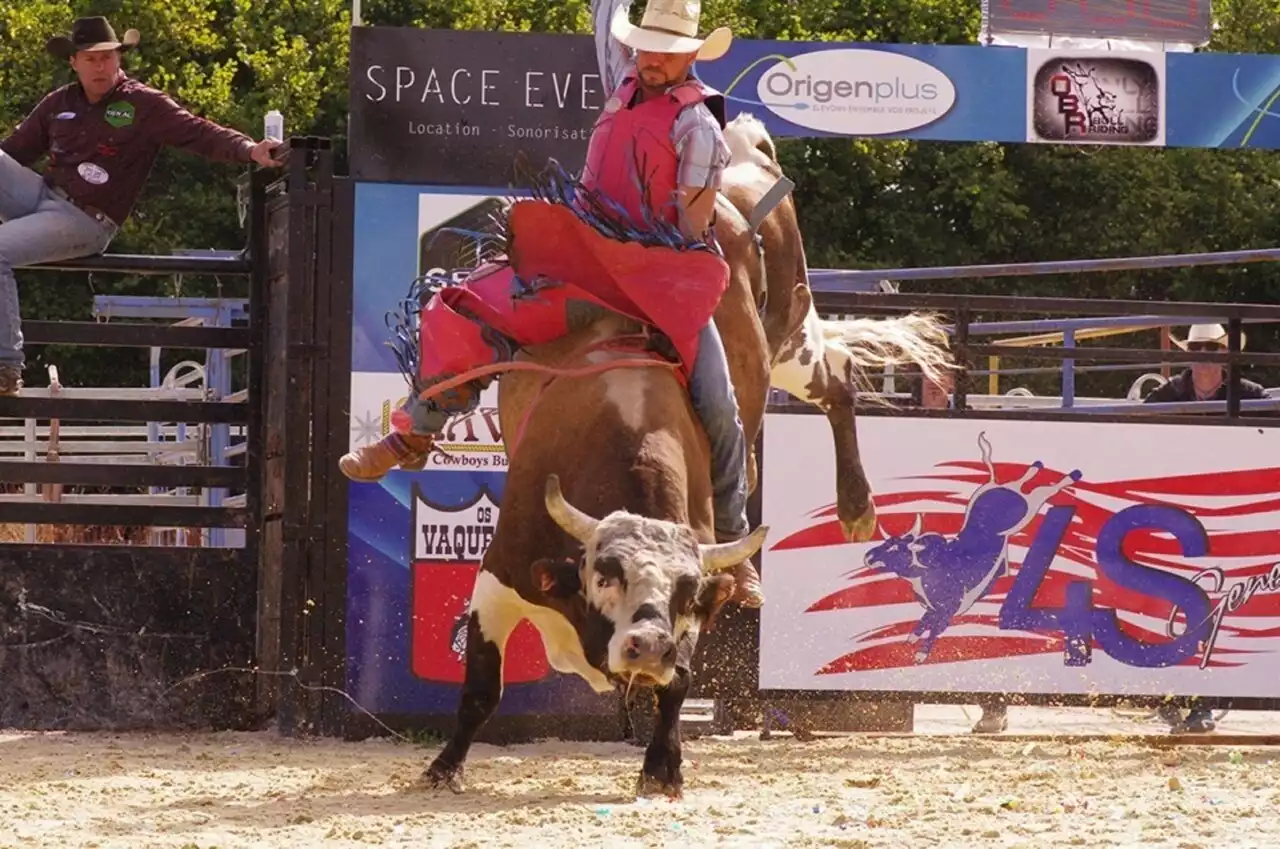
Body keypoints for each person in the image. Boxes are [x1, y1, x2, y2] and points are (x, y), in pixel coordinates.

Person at [339, 0, 763, 605]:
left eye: (666, 51)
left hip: (661, 274)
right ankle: (415, 434)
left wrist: (644, 242)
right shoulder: (626, 78)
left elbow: (693, 224)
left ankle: (732, 541)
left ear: (690, 55)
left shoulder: (698, 125)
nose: (651, 59)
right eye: (644, 45)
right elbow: (604, 18)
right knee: (460, 307)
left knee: (721, 407)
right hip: (585, 257)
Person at [0, 16, 281, 397]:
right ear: (74, 62)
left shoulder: (143, 104)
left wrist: (249, 149)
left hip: (84, 219)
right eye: (91, 59)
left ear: (119, 58)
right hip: (40, 195)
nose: (100, 66)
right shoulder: (59, 103)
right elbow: (13, 154)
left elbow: (198, 131)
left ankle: (6, 367)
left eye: (107, 57)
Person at [1142, 323, 1266, 407]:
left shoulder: (1248, 393)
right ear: (1188, 353)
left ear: (1224, 352)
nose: (1203, 353)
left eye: (1211, 347)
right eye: (1195, 347)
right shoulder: (1169, 392)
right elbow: (1138, 419)